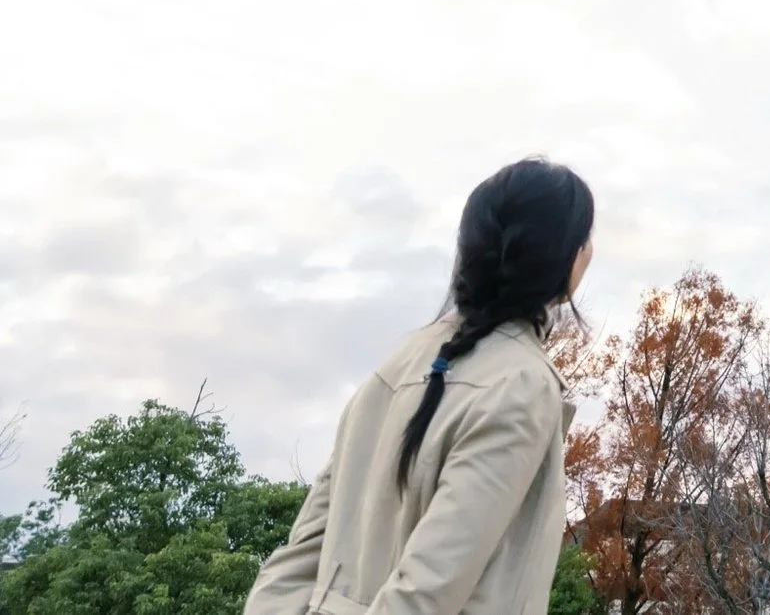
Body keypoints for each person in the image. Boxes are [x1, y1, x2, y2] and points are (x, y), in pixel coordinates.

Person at [246, 159, 597, 615]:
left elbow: (297, 558)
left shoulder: (399, 362)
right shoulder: (521, 384)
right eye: (586, 239)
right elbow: (425, 595)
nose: (589, 251)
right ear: (564, 255)